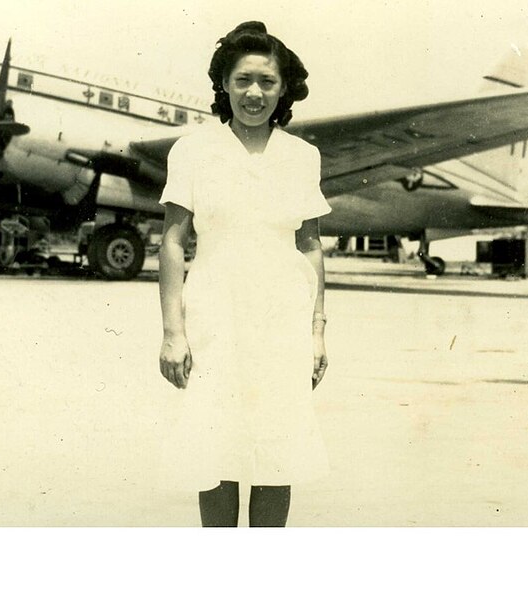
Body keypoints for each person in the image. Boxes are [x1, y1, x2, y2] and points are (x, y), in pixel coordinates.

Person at [157, 21, 331, 527]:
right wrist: (173, 332)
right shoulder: (192, 150)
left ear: (284, 90)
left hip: (283, 321)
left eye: (267, 82)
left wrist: (317, 333)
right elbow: (172, 242)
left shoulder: (303, 157)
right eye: (242, 80)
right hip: (216, 315)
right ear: (224, 85)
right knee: (216, 448)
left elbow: (311, 244)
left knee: (278, 449)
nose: (254, 93)